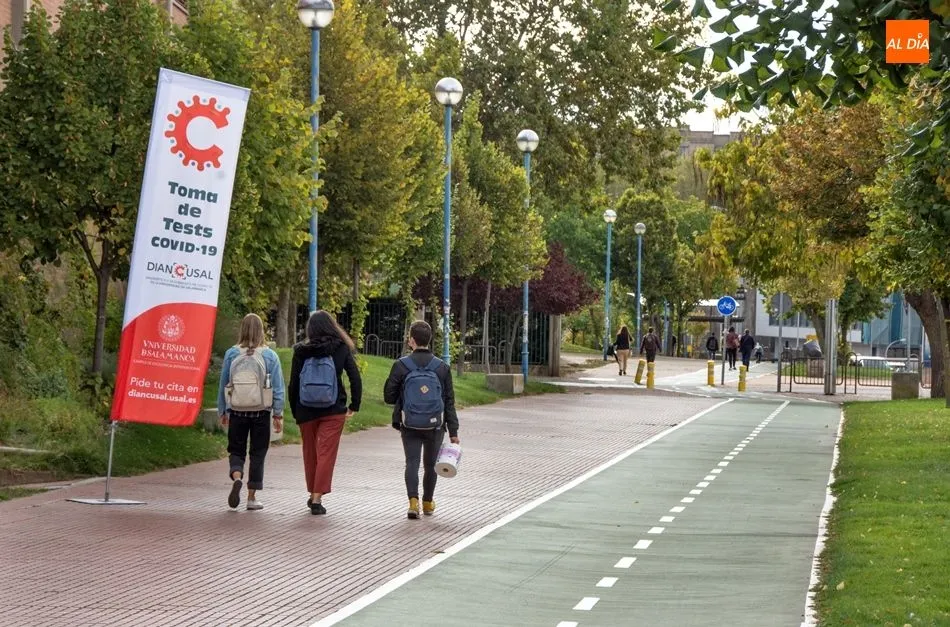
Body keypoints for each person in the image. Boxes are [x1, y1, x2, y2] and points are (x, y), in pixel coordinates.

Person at [384, 320, 460, 520]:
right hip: (435, 425)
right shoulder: (441, 368)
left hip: (409, 423)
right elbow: (449, 401)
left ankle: (412, 502)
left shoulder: (401, 366)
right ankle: (428, 502)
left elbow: (388, 396)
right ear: (430, 340)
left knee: (412, 462)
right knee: (430, 464)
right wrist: (453, 431)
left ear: (411, 340)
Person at [289, 310, 362, 516]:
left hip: (305, 409)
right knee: (326, 453)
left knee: (310, 453)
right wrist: (354, 405)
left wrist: (296, 411)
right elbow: (355, 378)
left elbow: (293, 383)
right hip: (333, 409)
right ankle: (317, 498)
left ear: (310, 329)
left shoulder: (301, 351)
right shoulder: (340, 348)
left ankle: (313, 491)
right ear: (332, 326)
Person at [218, 313, 285, 511]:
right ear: (262, 330)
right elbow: (278, 387)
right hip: (261, 411)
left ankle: (237, 476)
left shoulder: (232, 353)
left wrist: (223, 410)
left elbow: (224, 383)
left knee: (236, 450)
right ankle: (251, 497)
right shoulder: (269, 356)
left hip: (237, 409)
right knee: (258, 453)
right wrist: (278, 413)